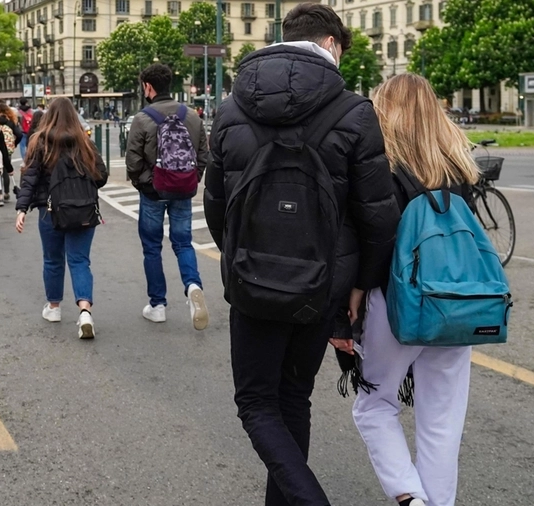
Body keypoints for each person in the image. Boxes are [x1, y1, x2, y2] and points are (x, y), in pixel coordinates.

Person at [203, 4, 401, 505]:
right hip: (323, 282)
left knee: (255, 402)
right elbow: (376, 213)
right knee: (293, 397)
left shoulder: (230, 109)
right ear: (331, 44)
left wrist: (241, 259)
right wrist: (359, 285)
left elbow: (216, 205)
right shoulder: (355, 111)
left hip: (253, 280)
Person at [351, 74, 481, 506]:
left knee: (374, 405)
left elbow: (371, 240)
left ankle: (410, 495)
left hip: (396, 304)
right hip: (456, 304)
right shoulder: (459, 166)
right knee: (442, 420)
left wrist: (352, 298)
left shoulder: (380, 165)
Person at [125, 63, 210, 330]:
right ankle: (193, 285)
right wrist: (190, 179)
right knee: (183, 243)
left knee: (152, 247)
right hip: (183, 190)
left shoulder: (142, 118)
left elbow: (133, 161)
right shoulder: (193, 117)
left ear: (148, 87)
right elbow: (203, 155)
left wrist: (145, 185)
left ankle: (158, 305)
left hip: (154, 192)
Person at [15, 98, 108, 339]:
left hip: (50, 211)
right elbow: (102, 176)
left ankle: (54, 307)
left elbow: (30, 177)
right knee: (79, 261)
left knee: (53, 260)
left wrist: (22, 208)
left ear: (50, 116)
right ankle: (85, 311)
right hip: (83, 210)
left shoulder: (40, 142)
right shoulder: (85, 142)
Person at [0, 102, 22, 206]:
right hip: (7, 148)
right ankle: (6, 192)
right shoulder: (11, 121)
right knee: (6, 170)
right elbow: (19, 134)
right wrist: (14, 144)